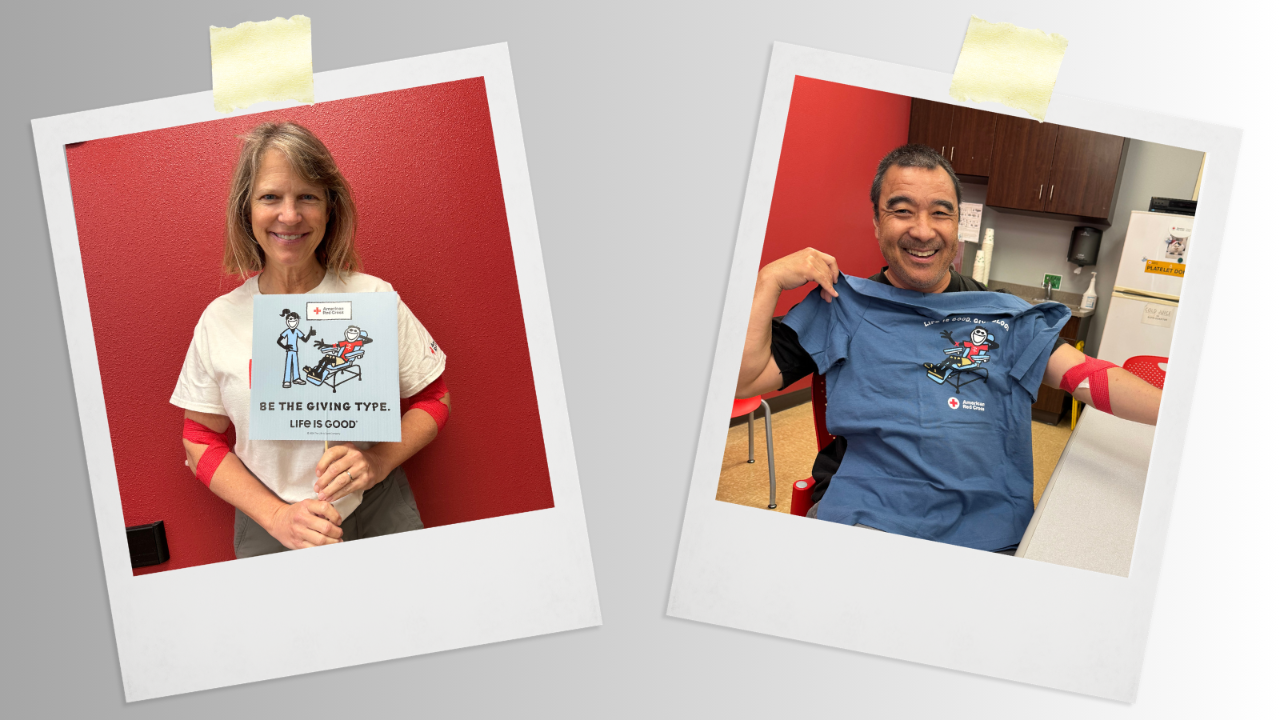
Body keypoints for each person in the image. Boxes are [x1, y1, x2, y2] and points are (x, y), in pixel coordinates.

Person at [736, 144, 1162, 554]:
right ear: (876, 222)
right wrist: (767, 281)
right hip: (866, 519)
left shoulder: (1002, 316)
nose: (923, 230)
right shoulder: (840, 307)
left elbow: (1087, 377)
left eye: (940, 213)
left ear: (957, 226)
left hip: (984, 530)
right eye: (902, 211)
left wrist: (1184, 417)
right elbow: (744, 379)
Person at [172, 122, 453, 557]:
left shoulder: (373, 297)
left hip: (375, 507)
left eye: (307, 196)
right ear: (246, 209)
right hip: (269, 521)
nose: (289, 215)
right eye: (270, 197)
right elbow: (198, 437)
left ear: (329, 208)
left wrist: (377, 462)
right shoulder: (219, 320)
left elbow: (434, 399)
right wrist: (276, 517)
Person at [276, 308, 315, 388]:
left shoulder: (297, 331)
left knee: (296, 365)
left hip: (295, 351)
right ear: (287, 321)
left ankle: (296, 378)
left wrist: (309, 334)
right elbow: (278, 341)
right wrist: (285, 346)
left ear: (297, 321)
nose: (292, 321)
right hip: (289, 351)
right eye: (290, 320)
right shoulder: (287, 331)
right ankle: (286, 381)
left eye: (294, 320)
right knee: (288, 365)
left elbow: (304, 340)